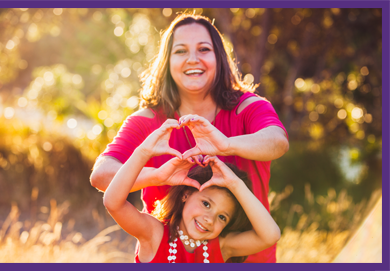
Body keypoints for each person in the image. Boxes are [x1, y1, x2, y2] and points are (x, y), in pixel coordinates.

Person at [90, 13, 289, 262]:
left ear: (219, 58)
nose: (193, 59)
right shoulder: (148, 122)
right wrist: (157, 175)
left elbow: (277, 141)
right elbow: (101, 176)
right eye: (181, 51)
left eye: (204, 49)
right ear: (168, 61)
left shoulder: (247, 107)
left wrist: (226, 145)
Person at [103, 120, 281, 263]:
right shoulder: (154, 234)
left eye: (222, 217)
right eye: (206, 204)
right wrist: (146, 158)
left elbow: (270, 236)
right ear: (185, 195)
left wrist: (235, 184)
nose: (209, 219)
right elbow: (113, 203)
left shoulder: (221, 247)